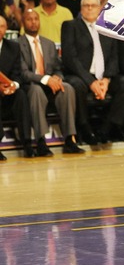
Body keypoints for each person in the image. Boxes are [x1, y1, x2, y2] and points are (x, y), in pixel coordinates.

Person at [61, 0, 124, 145]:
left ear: (100, 9)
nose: (89, 8)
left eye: (93, 5)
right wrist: (91, 82)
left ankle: (108, 127)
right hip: (80, 76)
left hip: (104, 77)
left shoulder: (108, 27)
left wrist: (106, 80)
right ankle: (85, 127)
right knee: (77, 86)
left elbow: (114, 57)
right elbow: (70, 58)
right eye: (86, 5)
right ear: (81, 9)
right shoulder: (70, 26)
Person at [19, 8, 84, 156]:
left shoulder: (48, 44)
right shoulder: (17, 44)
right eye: (29, 19)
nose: (33, 22)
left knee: (66, 88)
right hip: (32, 85)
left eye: (36, 19)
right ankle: (41, 141)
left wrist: (57, 78)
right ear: (23, 23)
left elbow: (57, 67)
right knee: (36, 92)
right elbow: (23, 73)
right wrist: (46, 79)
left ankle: (69, 139)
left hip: (50, 84)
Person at [0, 14, 35, 160]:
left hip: (8, 92)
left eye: (1, 26)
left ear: (6, 28)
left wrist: (13, 85)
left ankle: (27, 143)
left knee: (20, 94)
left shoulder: (13, 47)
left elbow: (17, 73)